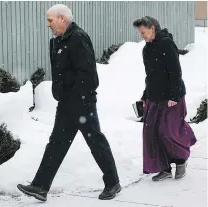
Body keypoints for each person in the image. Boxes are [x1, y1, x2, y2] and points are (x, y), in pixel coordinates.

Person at [17, 4, 121, 201]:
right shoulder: (57, 41)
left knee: (95, 141)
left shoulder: (78, 39)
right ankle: (40, 186)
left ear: (62, 18)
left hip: (82, 102)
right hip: (66, 103)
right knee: (56, 143)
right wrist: (60, 93)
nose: (48, 25)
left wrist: (75, 95)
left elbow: (89, 76)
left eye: (50, 20)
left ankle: (113, 182)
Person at [133, 16, 197, 181]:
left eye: (143, 32)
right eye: (140, 33)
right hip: (154, 96)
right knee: (151, 133)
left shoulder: (166, 44)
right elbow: (150, 76)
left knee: (168, 132)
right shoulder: (147, 49)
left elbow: (176, 72)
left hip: (171, 97)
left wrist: (174, 96)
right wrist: (145, 96)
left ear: (152, 27)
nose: (142, 36)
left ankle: (181, 161)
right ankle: (165, 168)